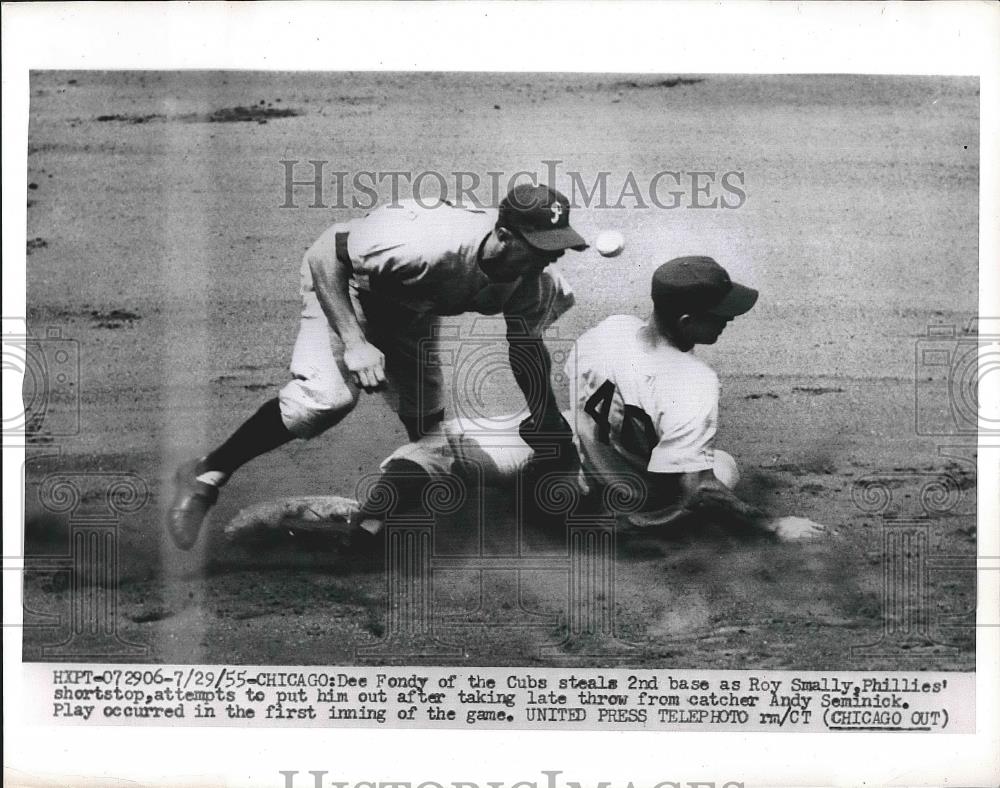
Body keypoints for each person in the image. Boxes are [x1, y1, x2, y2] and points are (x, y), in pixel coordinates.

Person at [167, 183, 588, 550]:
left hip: (412, 305)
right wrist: (355, 343)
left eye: (555, 249)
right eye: (538, 249)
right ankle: (207, 474)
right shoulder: (422, 245)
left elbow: (526, 346)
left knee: (426, 425)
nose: (548, 261)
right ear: (502, 236)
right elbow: (326, 254)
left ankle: (401, 519)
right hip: (347, 290)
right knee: (323, 402)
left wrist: (547, 419)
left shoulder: (533, 279)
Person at [348, 255, 824, 543]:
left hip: (560, 476)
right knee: (720, 466)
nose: (727, 321)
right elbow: (700, 491)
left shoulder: (608, 331)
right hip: (622, 516)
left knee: (439, 443)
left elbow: (568, 393)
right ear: (685, 322)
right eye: (717, 315)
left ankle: (369, 521)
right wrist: (771, 526)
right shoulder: (694, 381)